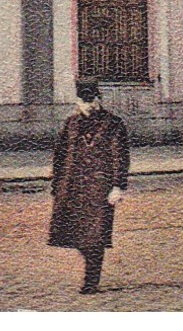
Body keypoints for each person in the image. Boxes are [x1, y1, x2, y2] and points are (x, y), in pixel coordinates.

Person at [48, 78, 131, 295]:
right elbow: (59, 155)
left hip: (99, 189)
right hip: (72, 186)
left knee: (95, 236)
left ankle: (91, 280)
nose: (87, 105)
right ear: (77, 102)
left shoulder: (113, 124)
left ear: (98, 100)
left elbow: (120, 156)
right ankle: (91, 271)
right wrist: (56, 184)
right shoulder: (71, 123)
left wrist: (118, 186)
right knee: (71, 232)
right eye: (83, 101)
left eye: (91, 100)